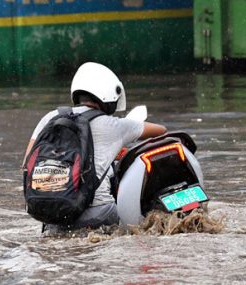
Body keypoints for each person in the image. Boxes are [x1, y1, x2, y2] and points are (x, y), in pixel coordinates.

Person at [23, 62, 167, 231]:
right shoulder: (114, 125)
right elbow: (160, 131)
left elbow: (27, 163)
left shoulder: (49, 118)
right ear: (109, 95)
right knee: (141, 221)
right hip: (100, 214)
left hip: (52, 218)